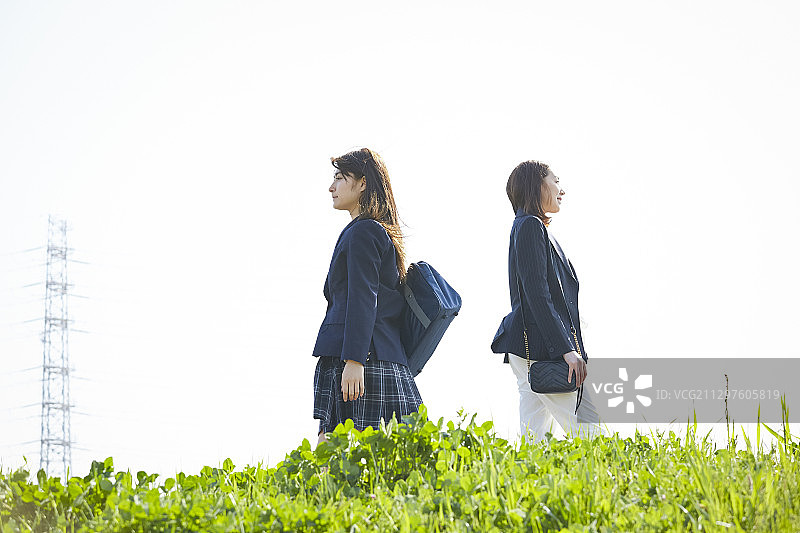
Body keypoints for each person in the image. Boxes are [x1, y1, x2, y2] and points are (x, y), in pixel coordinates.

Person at [312, 148, 422, 444]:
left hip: (362, 361)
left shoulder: (363, 232)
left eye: (339, 177)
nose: (331, 187)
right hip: (379, 356)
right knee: (386, 462)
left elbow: (364, 298)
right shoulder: (375, 231)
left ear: (363, 183)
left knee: (333, 459)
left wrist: (354, 360)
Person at [491, 160, 605, 442]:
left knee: (536, 436)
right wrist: (566, 349)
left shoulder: (528, 226)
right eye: (555, 180)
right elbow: (537, 294)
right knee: (590, 431)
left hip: (527, 346)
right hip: (543, 347)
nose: (561, 189)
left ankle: (532, 480)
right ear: (537, 185)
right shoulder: (530, 225)